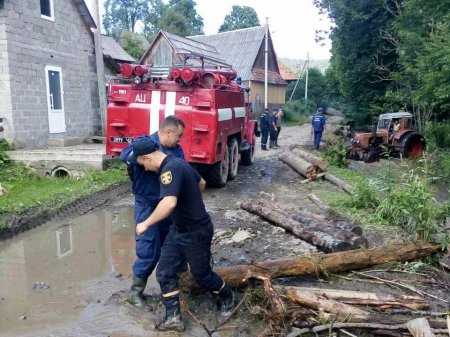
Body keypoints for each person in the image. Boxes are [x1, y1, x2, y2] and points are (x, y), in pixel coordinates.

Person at [132, 139, 235, 332]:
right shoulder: (179, 162)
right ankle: (174, 318)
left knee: (202, 276)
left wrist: (145, 223)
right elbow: (201, 183)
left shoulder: (169, 170)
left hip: (196, 231)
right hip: (178, 229)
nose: (145, 169)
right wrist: (189, 201)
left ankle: (228, 296)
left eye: (142, 164)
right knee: (164, 271)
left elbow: (169, 203)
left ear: (146, 157)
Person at [119, 116, 185, 311]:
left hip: (168, 205)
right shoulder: (145, 144)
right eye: (178, 136)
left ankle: (182, 284)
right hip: (147, 205)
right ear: (168, 132)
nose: (180, 140)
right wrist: (141, 158)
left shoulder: (176, 150)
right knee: (148, 250)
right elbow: (126, 156)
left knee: (174, 245)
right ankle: (135, 293)